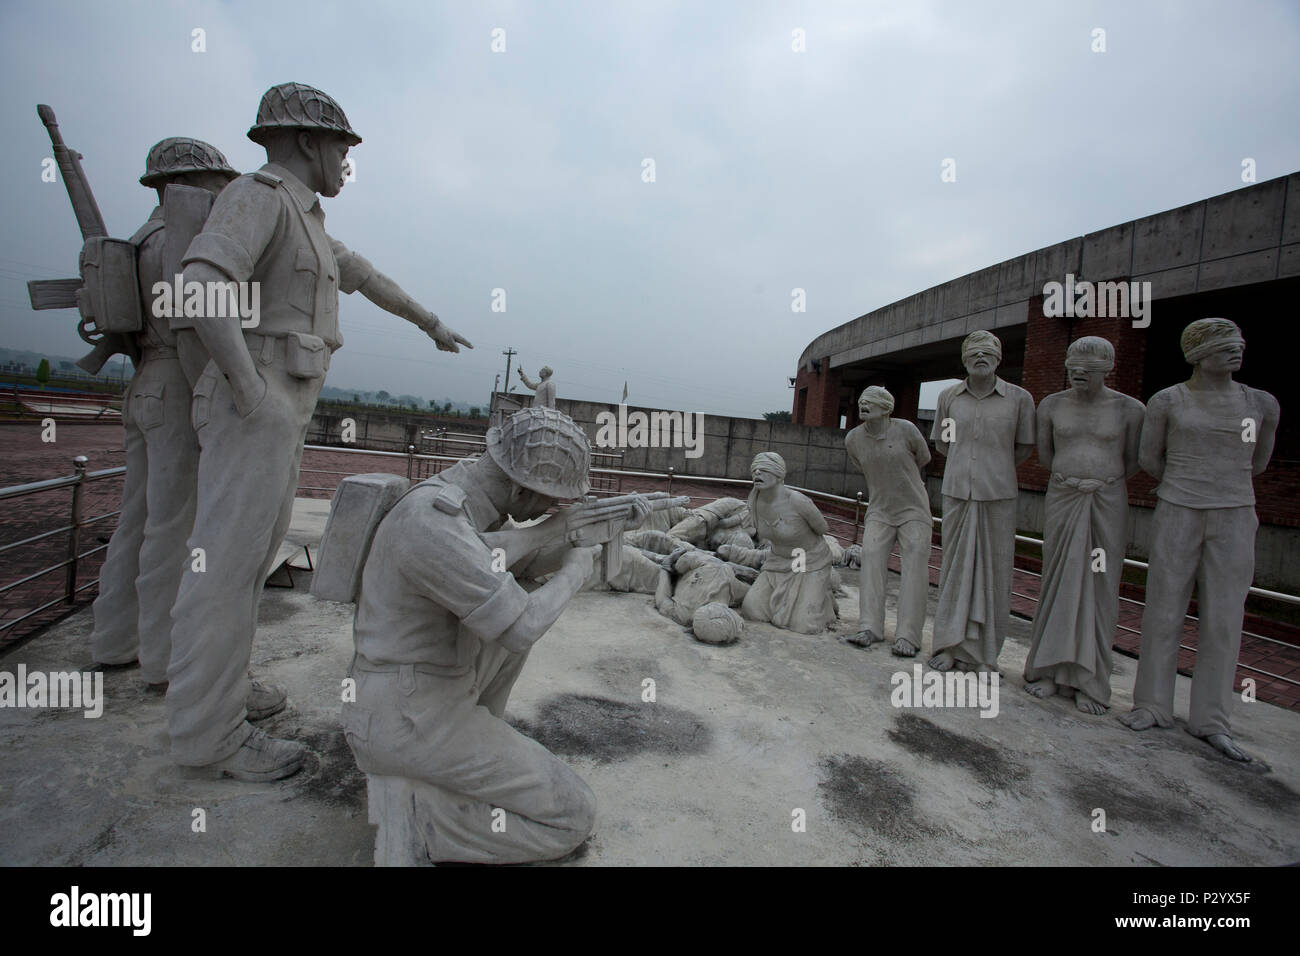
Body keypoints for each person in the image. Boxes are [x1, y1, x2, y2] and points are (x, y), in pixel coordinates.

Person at [166, 83, 473, 781]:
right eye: (342, 146)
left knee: (246, 564)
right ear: (308, 142)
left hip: (283, 400)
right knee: (223, 569)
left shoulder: (305, 220)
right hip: (261, 396)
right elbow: (202, 282)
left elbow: (367, 279)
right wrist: (251, 390)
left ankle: (220, 699)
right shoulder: (257, 196)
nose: (345, 161)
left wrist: (430, 324)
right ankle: (209, 736)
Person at [344, 408, 647, 863]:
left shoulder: (470, 500)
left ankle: (458, 761)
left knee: (518, 593)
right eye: (549, 500)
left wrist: (594, 532)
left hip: (416, 692)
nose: (551, 510)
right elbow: (521, 627)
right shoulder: (434, 520)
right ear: (519, 487)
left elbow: (514, 561)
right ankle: (420, 822)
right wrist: (575, 571)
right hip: (406, 714)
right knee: (571, 814)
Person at [90, 139, 239, 692]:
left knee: (135, 519)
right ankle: (162, 655)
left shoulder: (135, 243)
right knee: (172, 529)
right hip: (177, 383)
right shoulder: (181, 243)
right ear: (192, 183)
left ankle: (113, 639)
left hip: (143, 383)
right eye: (218, 183)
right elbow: (194, 329)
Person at [1120, 319, 1279, 762]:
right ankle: (1151, 703)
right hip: (1178, 509)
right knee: (1164, 607)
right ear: (1196, 354)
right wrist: (1190, 485)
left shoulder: (1261, 403)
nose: (1236, 351)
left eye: (1239, 345)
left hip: (1234, 513)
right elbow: (1151, 458)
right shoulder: (1169, 401)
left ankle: (1212, 719)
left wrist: (1221, 488)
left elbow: (1259, 462)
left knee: (1225, 617)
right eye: (1225, 346)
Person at [1023, 337, 1143, 714]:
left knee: (1100, 582)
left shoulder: (1130, 409)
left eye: (1087, 370)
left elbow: (1133, 460)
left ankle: (1088, 681)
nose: (1078, 374)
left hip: (1106, 501)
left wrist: (1099, 480)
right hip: (1064, 496)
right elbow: (1046, 455)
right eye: (1072, 367)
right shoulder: (1052, 405)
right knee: (1058, 579)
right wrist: (1073, 477)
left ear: (1107, 369)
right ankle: (1047, 668)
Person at [929, 330, 1035, 672]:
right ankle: (948, 645)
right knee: (955, 570)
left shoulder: (1019, 399)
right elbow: (944, 444)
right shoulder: (949, 397)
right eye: (974, 352)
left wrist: (993, 469)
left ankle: (985, 656)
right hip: (958, 491)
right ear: (963, 358)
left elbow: (1022, 447)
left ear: (999, 358)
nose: (980, 357)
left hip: (998, 494)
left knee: (994, 573)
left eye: (988, 352)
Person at [843, 386, 933, 657]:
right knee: (870, 557)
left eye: (869, 401)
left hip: (913, 508)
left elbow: (923, 458)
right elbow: (862, 465)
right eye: (861, 401)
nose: (863, 405)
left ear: (886, 407)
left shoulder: (906, 430)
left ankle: (908, 635)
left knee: (915, 563)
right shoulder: (853, 439)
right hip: (880, 509)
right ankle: (869, 627)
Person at [739, 452, 838, 634]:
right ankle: (811, 597)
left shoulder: (797, 501)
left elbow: (822, 528)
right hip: (778, 560)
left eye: (764, 469)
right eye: (755, 470)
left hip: (807, 560)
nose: (757, 473)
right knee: (753, 610)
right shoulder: (755, 500)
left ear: (778, 475)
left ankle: (822, 600)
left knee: (804, 625)